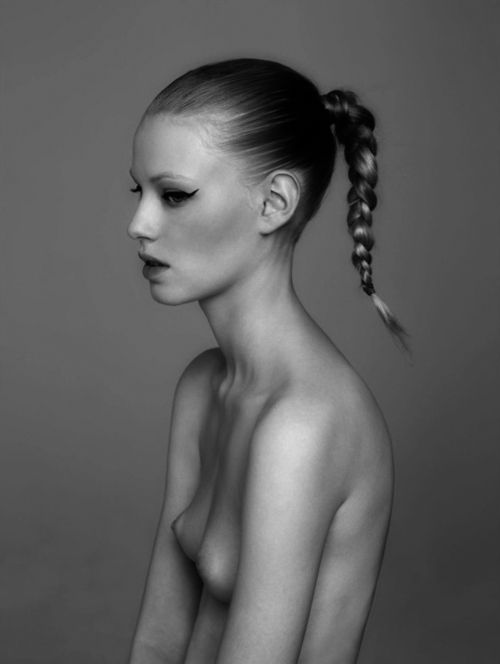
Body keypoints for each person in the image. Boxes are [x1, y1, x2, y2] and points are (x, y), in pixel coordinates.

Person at [126, 57, 410, 664]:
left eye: (173, 195)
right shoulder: (203, 386)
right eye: (139, 192)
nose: (138, 224)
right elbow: (158, 640)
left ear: (274, 202)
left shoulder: (303, 425)